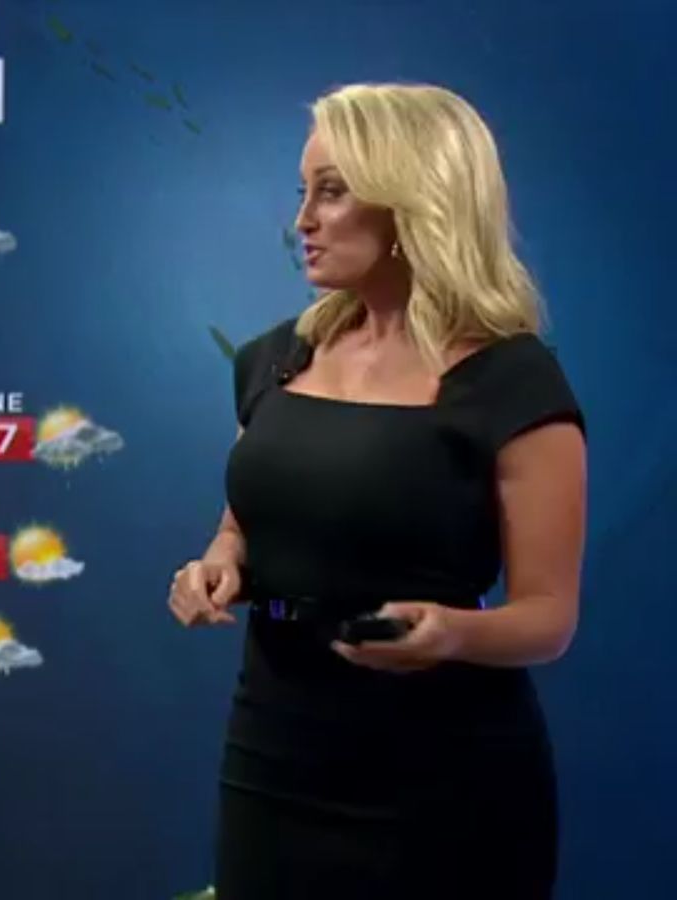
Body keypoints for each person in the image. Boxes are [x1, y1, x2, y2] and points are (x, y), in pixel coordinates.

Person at [169, 82, 587, 900]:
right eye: (303, 191)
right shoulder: (275, 361)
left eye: (331, 192)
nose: (302, 220)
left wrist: (451, 634)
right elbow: (244, 525)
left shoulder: (511, 383)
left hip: (444, 783)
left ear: (412, 203)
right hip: (272, 757)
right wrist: (217, 564)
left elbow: (548, 617)